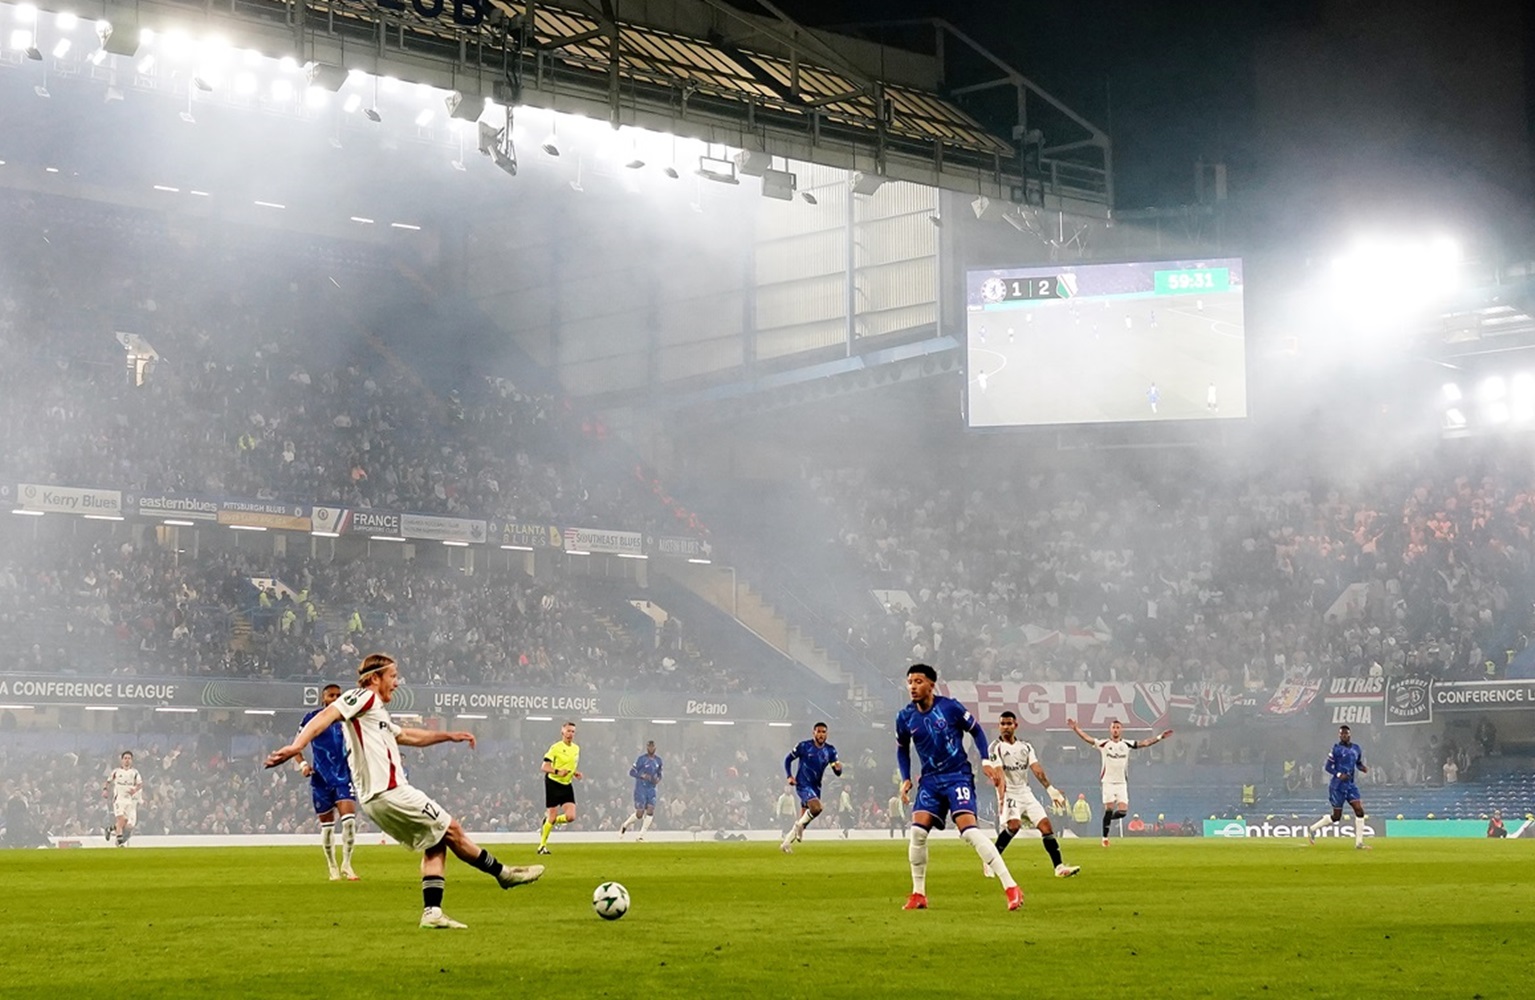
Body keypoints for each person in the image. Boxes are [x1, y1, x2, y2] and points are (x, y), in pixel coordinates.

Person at [265, 654, 543, 929]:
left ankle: (432, 912)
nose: (397, 683)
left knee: (435, 842)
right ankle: (504, 874)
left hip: (377, 798)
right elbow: (327, 714)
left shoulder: (376, 714)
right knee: (452, 830)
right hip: (390, 791)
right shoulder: (364, 696)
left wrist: (448, 735)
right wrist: (296, 746)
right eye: (393, 676)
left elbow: (408, 736)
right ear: (375, 678)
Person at [897, 664, 1022, 911]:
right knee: (917, 833)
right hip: (930, 781)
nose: (913, 686)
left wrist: (985, 760)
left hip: (957, 777)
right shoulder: (905, 717)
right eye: (910, 682)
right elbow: (902, 748)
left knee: (969, 832)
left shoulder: (950, 707)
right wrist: (905, 778)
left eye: (918, 681)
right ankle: (918, 894)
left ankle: (1011, 887)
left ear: (931, 685)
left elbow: (976, 730)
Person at [981, 711, 1079, 879]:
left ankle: (1059, 867)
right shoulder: (995, 747)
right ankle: (989, 861)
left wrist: (1050, 789)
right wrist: (1002, 799)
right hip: (1009, 792)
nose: (1005, 727)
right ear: (999, 726)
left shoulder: (1026, 747)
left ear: (1015, 725)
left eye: (1009, 724)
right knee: (1014, 826)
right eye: (1002, 724)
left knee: (1046, 827)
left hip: (1025, 792)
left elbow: (1037, 769)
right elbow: (999, 774)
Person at [1067, 717, 1174, 846]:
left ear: (1121, 730)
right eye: (1113, 727)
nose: (1116, 730)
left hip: (1122, 783)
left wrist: (1160, 737)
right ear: (1110, 730)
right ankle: (1105, 838)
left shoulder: (1126, 744)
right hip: (1108, 782)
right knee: (1109, 809)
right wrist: (1076, 728)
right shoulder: (1104, 744)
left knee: (1123, 812)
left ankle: (1107, 819)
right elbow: (1087, 738)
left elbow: (1145, 743)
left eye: (1118, 728)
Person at [291, 683, 359, 880]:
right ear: (324, 698)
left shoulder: (349, 718)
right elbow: (296, 746)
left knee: (349, 822)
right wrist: (303, 765)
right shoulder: (312, 718)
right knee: (327, 827)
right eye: (331, 695)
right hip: (320, 779)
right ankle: (332, 866)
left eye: (338, 695)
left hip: (343, 777)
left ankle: (347, 864)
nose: (335, 698)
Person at [1305, 724, 1371, 849]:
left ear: (1349, 734)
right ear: (1339, 735)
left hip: (1350, 785)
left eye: (1346, 734)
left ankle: (1359, 843)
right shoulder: (1336, 749)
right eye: (1342, 734)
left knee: (1359, 810)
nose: (1344, 736)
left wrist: (1362, 768)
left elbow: (1358, 763)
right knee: (1336, 817)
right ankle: (1313, 829)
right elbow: (1328, 767)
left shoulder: (1356, 748)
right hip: (1337, 786)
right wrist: (1339, 774)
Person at [780, 722, 842, 852]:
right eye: (818, 732)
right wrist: (789, 776)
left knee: (804, 820)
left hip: (816, 787)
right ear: (813, 733)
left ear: (827, 734)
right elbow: (787, 760)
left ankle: (786, 843)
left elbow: (837, 771)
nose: (821, 734)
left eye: (823, 732)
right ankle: (798, 826)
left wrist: (838, 769)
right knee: (817, 808)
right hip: (803, 784)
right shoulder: (804, 746)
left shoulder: (830, 750)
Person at [538, 721, 582, 855]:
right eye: (568, 731)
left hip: (566, 784)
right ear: (562, 732)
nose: (570, 734)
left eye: (573, 731)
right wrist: (557, 772)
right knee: (552, 814)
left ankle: (549, 821)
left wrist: (574, 773)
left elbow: (570, 765)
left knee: (571, 817)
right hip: (553, 783)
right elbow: (544, 767)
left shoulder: (576, 748)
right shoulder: (556, 748)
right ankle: (542, 846)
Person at [619, 740, 662, 840]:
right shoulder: (641, 759)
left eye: (652, 746)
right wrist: (641, 775)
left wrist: (657, 780)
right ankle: (625, 825)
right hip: (641, 788)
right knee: (640, 813)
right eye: (649, 747)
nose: (651, 748)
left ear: (655, 748)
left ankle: (641, 835)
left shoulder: (658, 760)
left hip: (651, 789)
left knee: (650, 810)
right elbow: (631, 772)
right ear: (647, 748)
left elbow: (660, 774)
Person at [103, 751, 143, 847]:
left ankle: (109, 829)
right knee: (121, 819)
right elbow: (108, 782)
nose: (127, 760)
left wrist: (135, 790)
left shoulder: (135, 773)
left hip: (129, 801)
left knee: (124, 823)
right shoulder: (116, 772)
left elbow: (140, 784)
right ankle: (120, 842)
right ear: (122, 760)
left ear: (132, 760)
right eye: (125, 758)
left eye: (129, 758)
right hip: (119, 800)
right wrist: (105, 790)